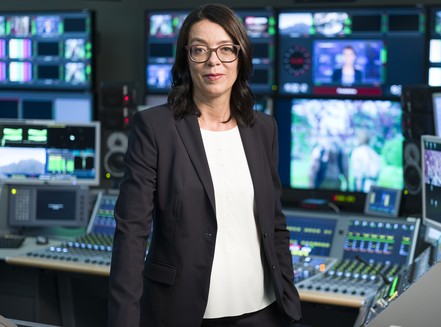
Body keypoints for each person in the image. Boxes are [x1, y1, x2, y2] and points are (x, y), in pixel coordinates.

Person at [108, 4, 301, 327]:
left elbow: (275, 224)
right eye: (200, 50)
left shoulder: (263, 129)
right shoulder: (155, 128)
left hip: (265, 313)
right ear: (186, 58)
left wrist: (290, 302)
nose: (214, 61)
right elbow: (131, 233)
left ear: (240, 56)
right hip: (183, 313)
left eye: (226, 49)